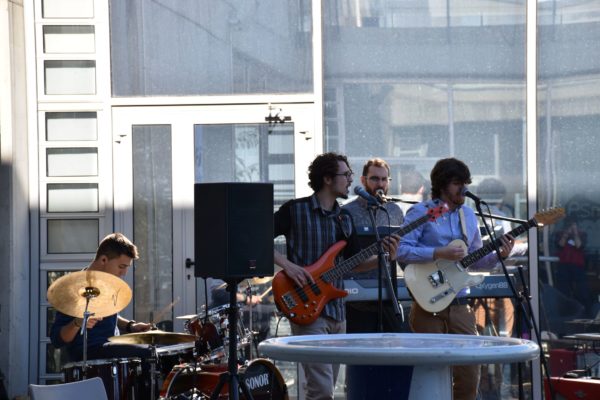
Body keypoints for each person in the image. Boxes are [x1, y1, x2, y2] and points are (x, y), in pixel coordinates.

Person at [273, 152, 399, 400]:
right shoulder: (294, 210)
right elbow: (256, 239)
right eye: (346, 175)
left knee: (323, 389)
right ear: (328, 178)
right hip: (307, 309)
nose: (351, 180)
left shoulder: (345, 218)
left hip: (338, 313)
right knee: (321, 391)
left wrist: (386, 257)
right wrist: (287, 266)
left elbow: (355, 264)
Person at [397, 158, 514, 400]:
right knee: (432, 374)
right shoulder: (422, 212)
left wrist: (499, 255)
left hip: (460, 304)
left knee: (469, 374)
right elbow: (400, 250)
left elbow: (474, 260)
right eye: (457, 183)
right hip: (428, 306)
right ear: (442, 185)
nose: (463, 188)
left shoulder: (468, 215)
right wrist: (438, 253)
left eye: (466, 183)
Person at [50, 233, 153, 362]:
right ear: (104, 260)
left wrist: (130, 326)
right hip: (88, 354)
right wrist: (78, 322)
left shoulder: (108, 285)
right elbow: (56, 339)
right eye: (121, 267)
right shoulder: (73, 289)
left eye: (126, 268)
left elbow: (107, 317)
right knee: (147, 352)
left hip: (111, 347)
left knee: (158, 349)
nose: (124, 273)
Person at [342, 158, 404, 333]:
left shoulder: (395, 210)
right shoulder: (347, 212)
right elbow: (344, 259)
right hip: (355, 299)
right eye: (375, 179)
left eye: (384, 179)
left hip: (389, 293)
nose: (380, 184)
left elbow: (403, 250)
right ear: (363, 180)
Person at [554, 215, 591, 312]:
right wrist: (566, 234)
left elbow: (579, 246)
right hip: (563, 265)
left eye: (573, 224)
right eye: (569, 224)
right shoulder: (560, 234)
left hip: (577, 265)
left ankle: (586, 309)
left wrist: (575, 233)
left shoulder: (582, 234)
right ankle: (564, 310)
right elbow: (560, 245)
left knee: (581, 289)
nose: (570, 226)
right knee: (563, 289)